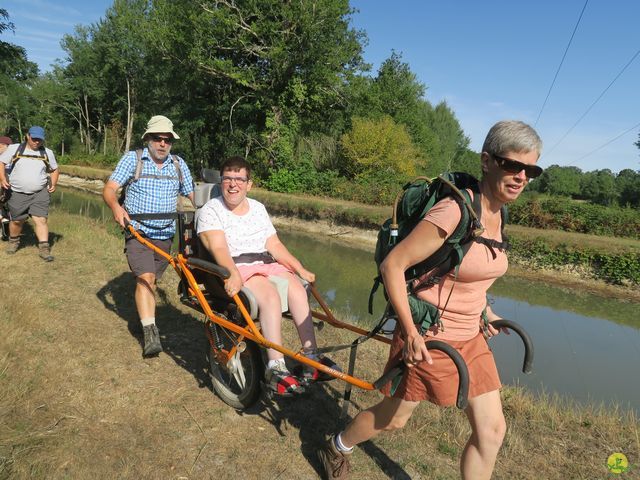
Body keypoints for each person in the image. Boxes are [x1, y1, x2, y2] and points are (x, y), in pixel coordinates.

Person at [319, 120, 543, 480]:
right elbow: (394, 265)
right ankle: (337, 445)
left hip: (471, 337)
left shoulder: (500, 213)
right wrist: (409, 332)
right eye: (512, 165)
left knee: (492, 432)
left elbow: (469, 270)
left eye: (530, 169)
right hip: (430, 336)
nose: (521, 176)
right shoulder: (455, 211)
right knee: (394, 419)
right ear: (487, 161)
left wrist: (484, 308)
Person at [197, 156, 340, 395]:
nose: (233, 184)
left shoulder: (258, 208)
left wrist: (299, 268)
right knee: (271, 296)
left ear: (249, 184)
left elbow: (274, 245)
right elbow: (219, 247)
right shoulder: (211, 210)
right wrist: (232, 273)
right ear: (221, 182)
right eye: (228, 179)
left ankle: (310, 357)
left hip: (265, 263)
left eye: (239, 179)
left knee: (297, 288)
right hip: (237, 266)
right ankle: (275, 366)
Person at [103, 115, 195, 357]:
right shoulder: (133, 160)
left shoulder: (178, 164)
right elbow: (110, 189)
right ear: (147, 139)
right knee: (146, 278)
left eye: (167, 140)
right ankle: (150, 333)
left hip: (166, 235)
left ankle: (144, 316)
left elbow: (193, 196)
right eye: (158, 138)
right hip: (138, 232)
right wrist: (116, 208)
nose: (163, 144)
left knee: (152, 280)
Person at [0, 127, 59, 261]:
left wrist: (53, 183)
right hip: (17, 192)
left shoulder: (47, 152)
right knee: (17, 221)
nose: (37, 142)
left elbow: (55, 170)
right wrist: (3, 179)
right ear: (27, 136)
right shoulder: (15, 149)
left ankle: (44, 249)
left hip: (40, 193)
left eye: (40, 139)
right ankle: (13, 242)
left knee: (41, 220)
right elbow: (1, 163)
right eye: (34, 139)